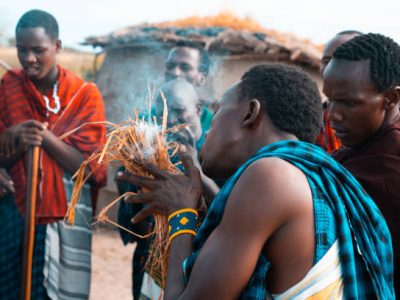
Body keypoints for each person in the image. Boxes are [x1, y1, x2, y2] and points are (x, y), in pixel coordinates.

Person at [119, 63, 394, 299]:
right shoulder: (313, 174)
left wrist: (180, 214)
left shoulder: (269, 175)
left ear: (250, 113)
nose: (208, 128)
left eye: (217, 113)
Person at [0, 10, 106, 299]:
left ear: (57, 47)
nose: (29, 58)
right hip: (12, 216)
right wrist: (18, 138)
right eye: (22, 50)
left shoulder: (84, 95)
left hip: (63, 220)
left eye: (38, 50)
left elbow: (91, 170)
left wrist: (44, 136)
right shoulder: (8, 88)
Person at [117, 79, 218, 299]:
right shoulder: (153, 152)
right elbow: (136, 224)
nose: (171, 120)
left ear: (198, 110)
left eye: (179, 111)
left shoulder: (217, 152)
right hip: (154, 265)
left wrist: (196, 166)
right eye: (162, 113)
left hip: (203, 266)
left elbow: (226, 209)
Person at [324, 32, 400, 298]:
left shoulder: (387, 170)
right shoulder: (363, 148)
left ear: (391, 98)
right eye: (329, 100)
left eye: (348, 102)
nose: (333, 114)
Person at [315, 30, 362, 153]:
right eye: (326, 60)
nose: (331, 68)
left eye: (343, 60)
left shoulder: (378, 126)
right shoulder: (313, 119)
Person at [164, 40, 214, 132]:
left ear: (201, 78)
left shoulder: (214, 126)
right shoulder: (144, 121)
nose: (175, 73)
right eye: (170, 66)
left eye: (185, 68)